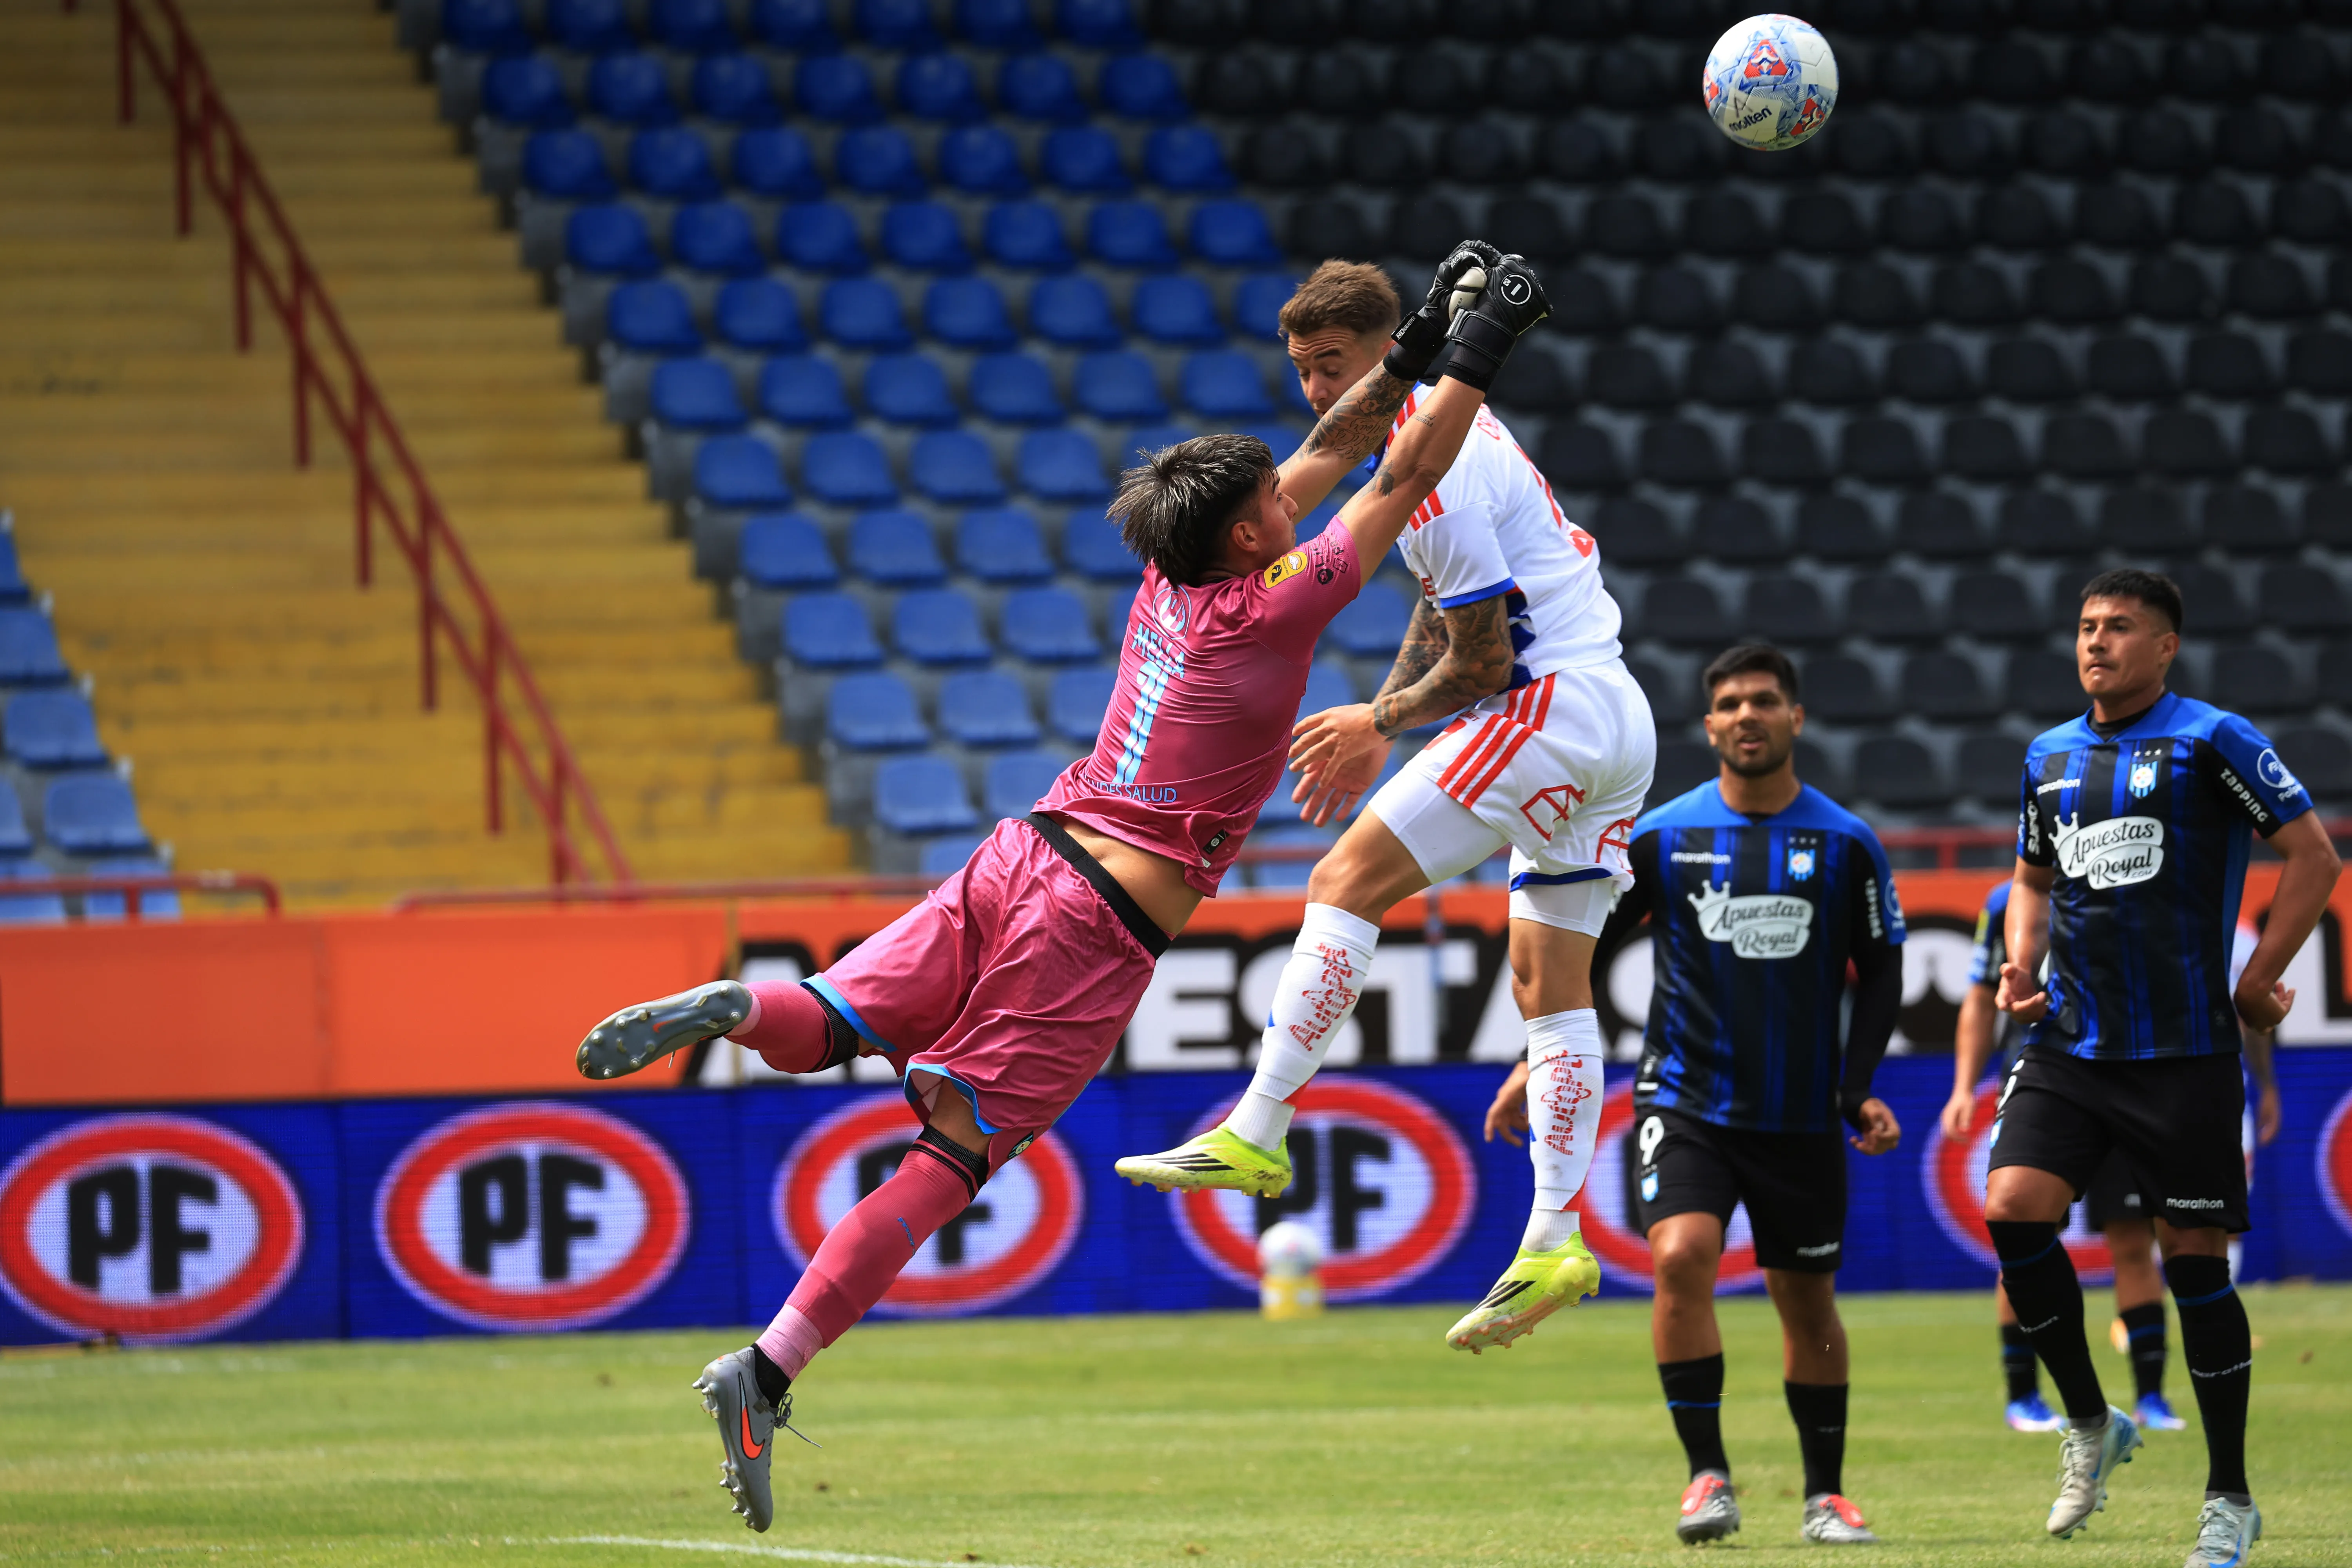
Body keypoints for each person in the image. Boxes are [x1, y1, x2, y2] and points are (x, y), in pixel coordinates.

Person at [566, 248, 1557, 1534]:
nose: (1292, 483)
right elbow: (1405, 469)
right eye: (1275, 496)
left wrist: (1424, 329)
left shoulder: (1172, 577)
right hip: (1095, 921)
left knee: (836, 1021)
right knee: (952, 1155)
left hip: (1018, 853)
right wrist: (1488, 343)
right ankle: (768, 1366)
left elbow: (1339, 438)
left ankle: (743, 1012)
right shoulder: (1271, 609)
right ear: (1255, 532)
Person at [1114, 259, 1657, 1359]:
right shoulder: (1430, 425)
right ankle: (1555, 1237)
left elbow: (1483, 656)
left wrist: (1380, 722)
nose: (1316, 391)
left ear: (1377, 352)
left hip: (1543, 706)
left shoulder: (1441, 467)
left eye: (1330, 367)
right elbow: (1424, 566)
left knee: (1342, 882)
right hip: (1616, 720)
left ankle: (1261, 1127)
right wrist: (1424, 339)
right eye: (1302, 369)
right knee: (1549, 988)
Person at [1485, 644, 1902, 1546]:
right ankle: (1705, 1476)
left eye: (1763, 700)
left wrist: (1856, 1086)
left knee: (1806, 1299)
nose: (1746, 715)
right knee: (1680, 1254)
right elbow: (1581, 951)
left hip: (1799, 1113)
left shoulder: (1847, 843)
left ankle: (1825, 1494)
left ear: (1796, 717)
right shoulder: (1665, 836)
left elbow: (1882, 975)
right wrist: (1538, 1052)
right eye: (1729, 703)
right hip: (1685, 1100)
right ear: (1708, 725)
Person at [1987, 568, 2339, 1564]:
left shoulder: (2213, 738)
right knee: (2013, 1204)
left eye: (2121, 628)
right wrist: (2022, 956)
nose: (2097, 643)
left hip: (2183, 1049)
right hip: (2070, 1041)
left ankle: (2229, 1496)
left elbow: (2313, 856)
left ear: (2167, 645)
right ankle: (2094, 1420)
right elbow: (2029, 873)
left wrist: (2259, 977)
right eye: (2088, 626)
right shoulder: (2049, 753)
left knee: (2193, 1264)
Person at [1947, 887, 2283, 1435]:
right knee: (2025, 1231)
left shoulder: (2146, 872)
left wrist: (2265, 1082)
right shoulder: (2011, 897)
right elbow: (1984, 994)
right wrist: (1964, 1086)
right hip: (2051, 1078)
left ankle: (2150, 1395)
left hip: (2140, 1075)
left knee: (2135, 1240)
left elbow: (2231, 995)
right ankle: (2024, 1395)